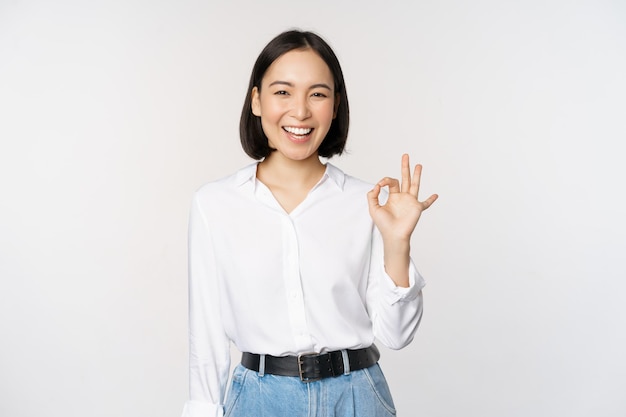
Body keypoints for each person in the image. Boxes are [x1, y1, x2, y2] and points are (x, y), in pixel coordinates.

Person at [181, 29, 437, 417]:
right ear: (256, 101)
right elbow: (207, 338)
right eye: (283, 92)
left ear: (335, 107)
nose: (300, 111)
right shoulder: (214, 204)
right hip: (259, 401)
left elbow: (397, 336)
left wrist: (398, 244)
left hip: (357, 397)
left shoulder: (367, 203)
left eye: (317, 94)